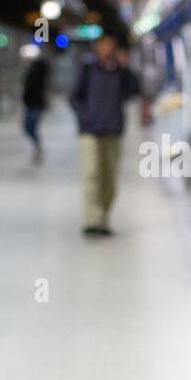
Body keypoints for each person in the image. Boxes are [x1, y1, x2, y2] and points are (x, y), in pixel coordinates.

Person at [68, 34, 138, 236]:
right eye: (104, 44)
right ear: (98, 46)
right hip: (90, 131)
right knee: (92, 174)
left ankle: (104, 219)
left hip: (113, 131)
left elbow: (133, 92)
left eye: (111, 44)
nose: (107, 48)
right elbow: (74, 97)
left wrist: (127, 69)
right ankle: (92, 219)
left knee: (110, 179)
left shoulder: (120, 71)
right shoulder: (88, 68)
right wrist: (86, 117)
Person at [21, 45, 49, 164]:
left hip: (36, 104)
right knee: (28, 127)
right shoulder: (31, 70)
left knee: (31, 126)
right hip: (29, 103)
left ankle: (38, 147)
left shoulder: (37, 70)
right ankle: (37, 146)